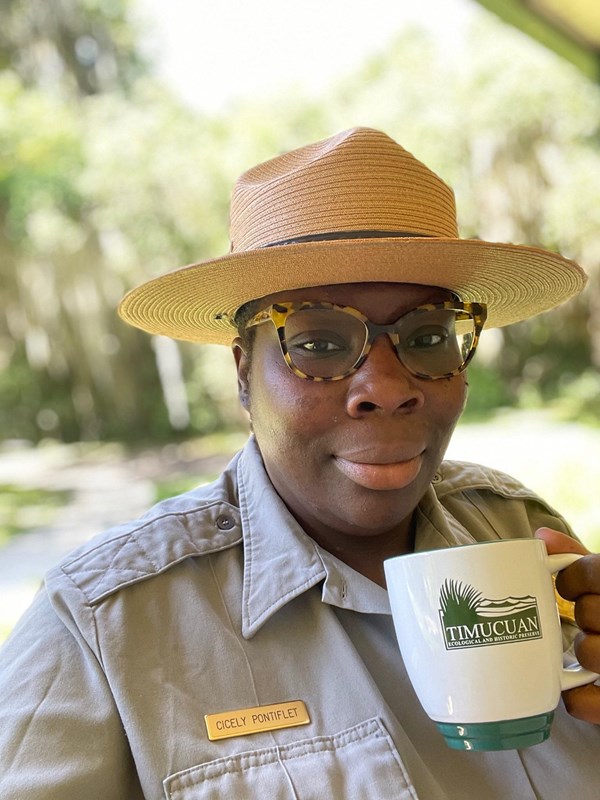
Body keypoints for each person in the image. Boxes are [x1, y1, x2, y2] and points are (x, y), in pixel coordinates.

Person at [0, 126, 599, 799]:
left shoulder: (520, 527)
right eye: (316, 342)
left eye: (429, 335)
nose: (388, 388)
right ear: (242, 375)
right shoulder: (102, 632)